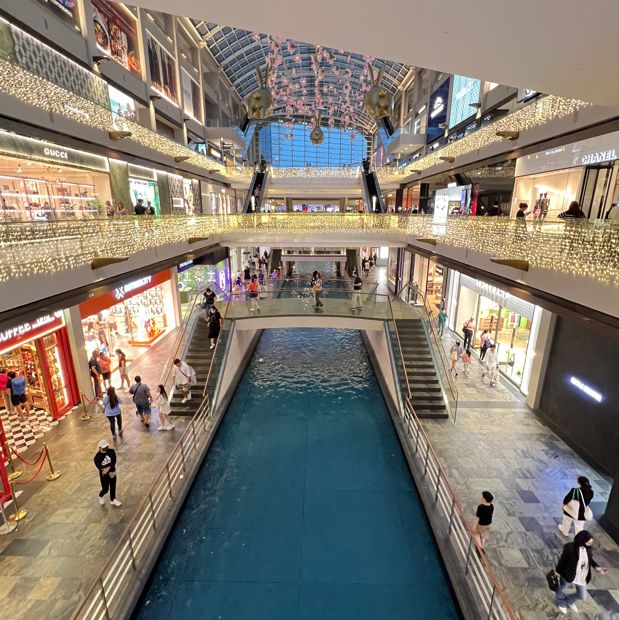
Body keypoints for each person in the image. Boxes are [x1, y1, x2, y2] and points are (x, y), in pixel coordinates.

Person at [554, 530, 607, 614]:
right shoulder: (569, 547)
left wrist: (596, 567)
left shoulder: (588, 548)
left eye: (591, 543)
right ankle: (560, 602)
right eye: (589, 543)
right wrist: (557, 572)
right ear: (582, 541)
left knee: (582, 595)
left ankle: (568, 601)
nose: (590, 545)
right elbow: (563, 560)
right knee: (562, 588)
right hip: (569, 574)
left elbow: (590, 559)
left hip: (582, 576)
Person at [94, 439, 121, 507]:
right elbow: (101, 468)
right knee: (105, 489)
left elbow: (114, 461)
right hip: (104, 476)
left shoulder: (111, 451)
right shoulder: (97, 457)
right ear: (100, 448)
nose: (106, 448)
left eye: (107, 446)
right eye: (104, 447)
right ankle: (100, 496)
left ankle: (113, 499)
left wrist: (108, 468)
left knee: (113, 487)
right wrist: (108, 469)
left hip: (112, 472)